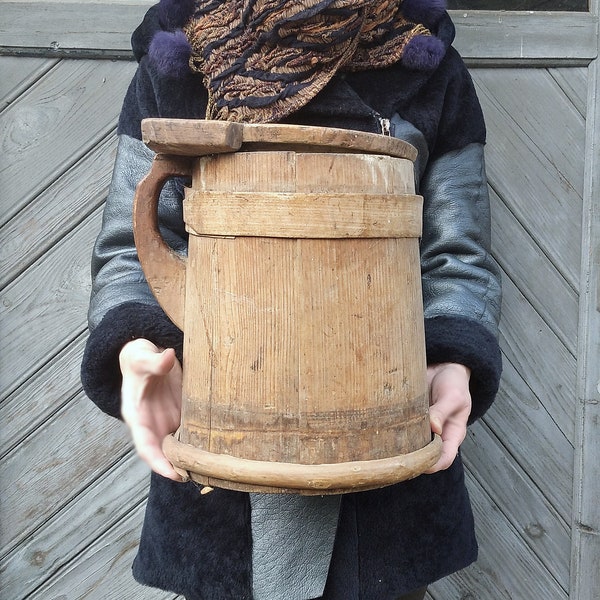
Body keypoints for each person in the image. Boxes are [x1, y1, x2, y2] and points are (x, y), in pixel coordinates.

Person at [81, 0, 503, 598]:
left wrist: (453, 359)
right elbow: (134, 242)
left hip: (385, 466)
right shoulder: (178, 62)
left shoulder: (427, 67)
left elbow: (456, 254)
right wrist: (137, 346)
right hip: (219, 459)